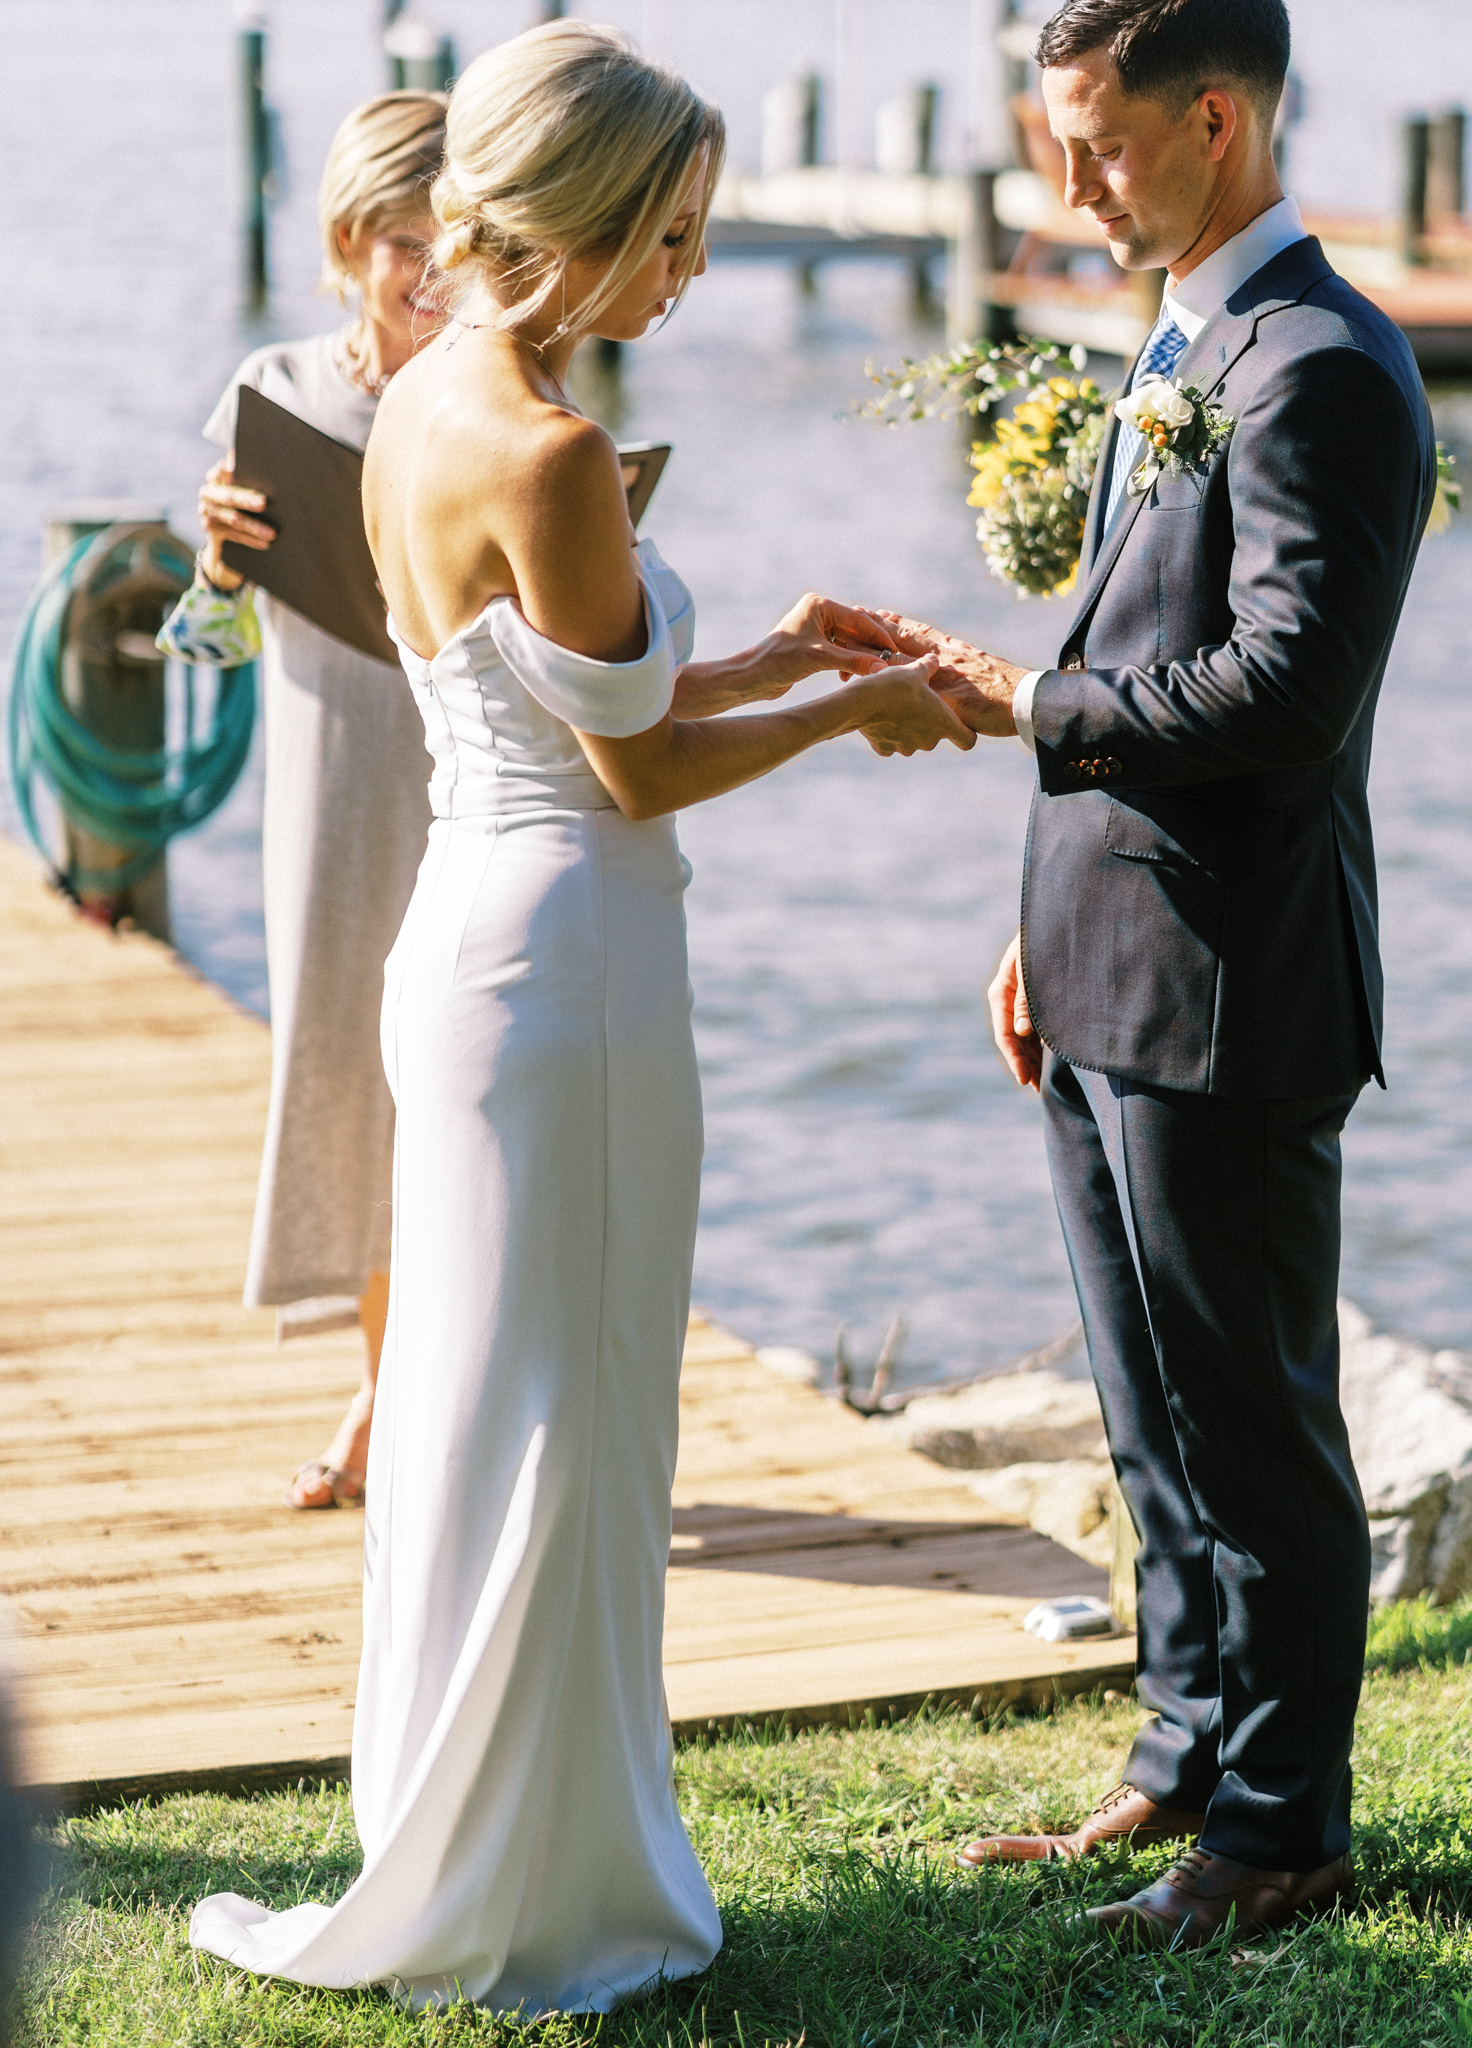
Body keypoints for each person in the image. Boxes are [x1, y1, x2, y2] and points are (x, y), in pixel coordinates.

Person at [188, 21, 971, 2015]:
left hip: (466, 944)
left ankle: (477, 1832)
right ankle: (550, 1880)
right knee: (579, 1397)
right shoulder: (546, 447)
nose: (690, 273)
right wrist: (862, 709)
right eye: (674, 235)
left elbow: (570, 698)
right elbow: (632, 779)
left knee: (483, 1390)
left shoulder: (433, 404)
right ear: (586, 218)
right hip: (579, 967)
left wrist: (781, 643)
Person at [886, 0, 1435, 1946]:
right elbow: (1159, 639)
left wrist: (1026, 696)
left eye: (1095, 144)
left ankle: (1283, 1824)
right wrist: (1036, 922)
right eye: (1051, 138)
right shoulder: (1189, 336)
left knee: (1251, 1410)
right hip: (1108, 958)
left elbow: (1288, 691)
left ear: (1216, 116)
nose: (1067, 179)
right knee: (1147, 1400)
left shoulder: (1324, 370)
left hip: (1234, 980)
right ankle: (1189, 1741)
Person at [198, 92, 447, 1509]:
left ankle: (398, 1401)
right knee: (354, 1079)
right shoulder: (280, 387)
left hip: (468, 761)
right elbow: (206, 636)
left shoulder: (490, 388)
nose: (433, 276)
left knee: (454, 1077)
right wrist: (217, 561)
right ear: (350, 242)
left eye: (456, 243)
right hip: (330, 771)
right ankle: (381, 1387)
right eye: (405, 243)